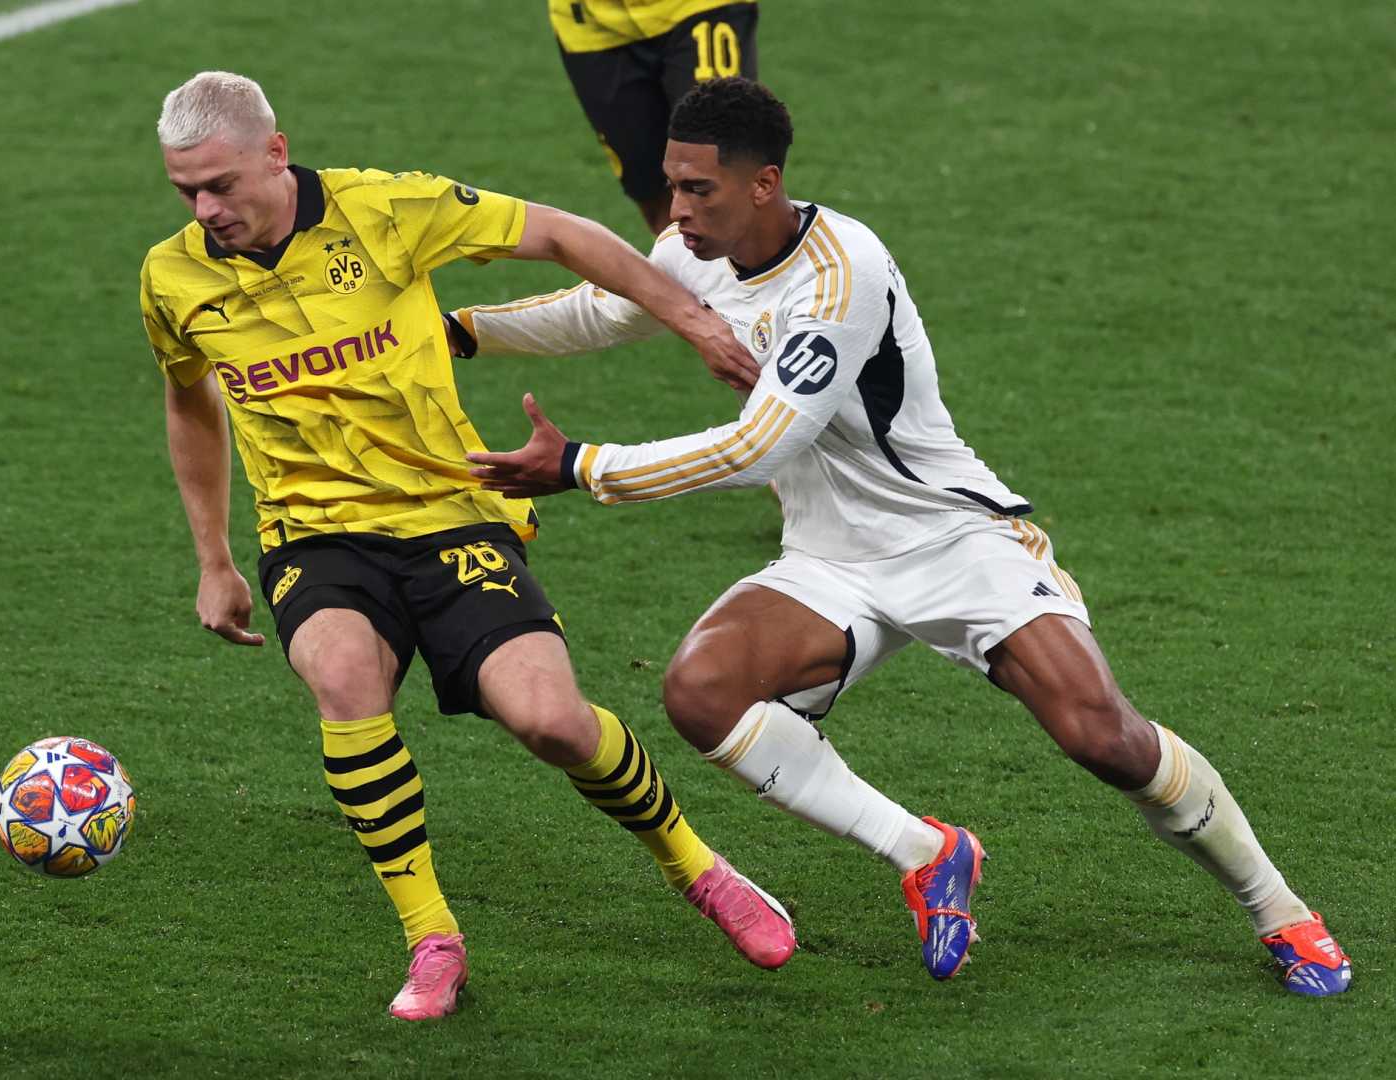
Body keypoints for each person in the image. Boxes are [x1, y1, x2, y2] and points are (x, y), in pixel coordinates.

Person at [453, 77, 1352, 996]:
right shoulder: (696, 248)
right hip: (829, 558)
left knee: (1102, 736)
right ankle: (926, 851)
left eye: (698, 190)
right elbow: (601, 309)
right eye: (673, 185)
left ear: (764, 183)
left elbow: (761, 446)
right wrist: (456, 333)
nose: (676, 209)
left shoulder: (843, 273)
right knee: (700, 692)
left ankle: (1281, 909)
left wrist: (579, 467)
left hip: (952, 540)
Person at [138, 70, 794, 1023]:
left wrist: (691, 318)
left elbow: (563, 233)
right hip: (314, 536)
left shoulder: (385, 211)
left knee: (551, 723)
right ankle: (431, 936)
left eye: (221, 185)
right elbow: (187, 397)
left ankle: (700, 868)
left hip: (449, 514)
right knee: (342, 678)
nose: (207, 210)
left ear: (275, 155)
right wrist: (214, 558)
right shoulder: (174, 275)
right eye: (186, 192)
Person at [551, 0, 759, 234]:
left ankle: (770, 264)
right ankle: (686, 266)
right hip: (593, 25)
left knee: (720, 161)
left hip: (699, 8)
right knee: (648, 184)